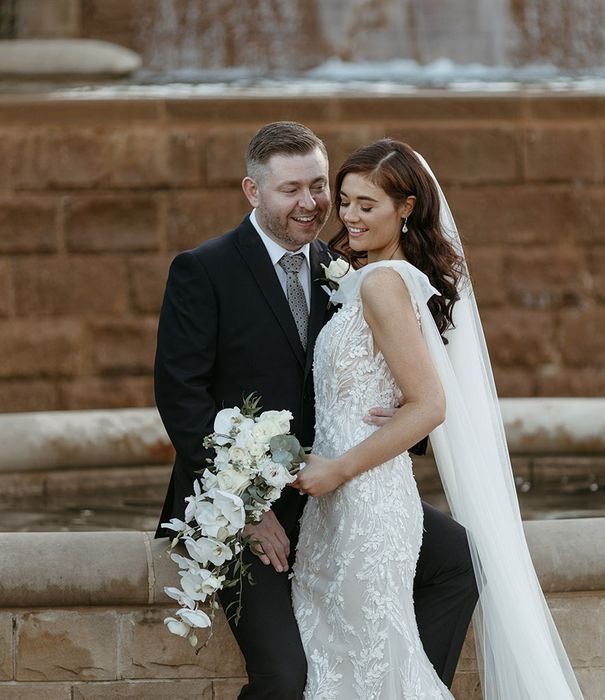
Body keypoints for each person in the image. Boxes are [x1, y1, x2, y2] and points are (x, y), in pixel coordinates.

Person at [153, 122, 477, 699]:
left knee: (458, 560)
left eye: (319, 186)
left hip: (330, 492)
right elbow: (182, 398)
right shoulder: (204, 271)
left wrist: (396, 415)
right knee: (286, 676)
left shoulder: (346, 271)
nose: (313, 204)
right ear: (253, 192)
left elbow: (385, 373)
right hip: (236, 510)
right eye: (291, 190)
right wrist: (249, 510)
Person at [290, 139, 584, 699]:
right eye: (345, 201)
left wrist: (337, 469)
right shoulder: (376, 277)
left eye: (367, 205)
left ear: (405, 209)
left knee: (370, 667)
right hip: (342, 501)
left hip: (363, 500)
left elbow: (430, 406)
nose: (349, 216)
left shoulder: (382, 283)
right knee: (349, 664)